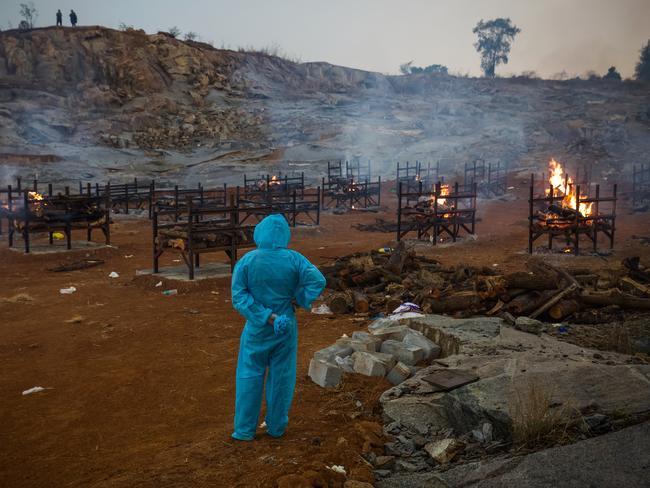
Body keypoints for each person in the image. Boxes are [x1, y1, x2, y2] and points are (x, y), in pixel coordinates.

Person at [231, 214, 325, 441]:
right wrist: (299, 299)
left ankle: (244, 430)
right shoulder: (295, 259)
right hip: (286, 327)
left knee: (249, 375)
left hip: (257, 329)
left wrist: (264, 316)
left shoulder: (247, 260)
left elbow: (239, 296)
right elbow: (318, 281)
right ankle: (276, 427)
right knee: (282, 377)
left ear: (260, 233)